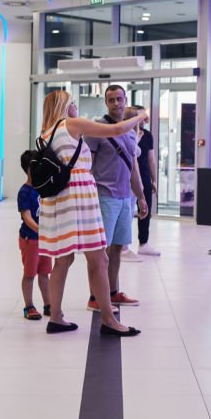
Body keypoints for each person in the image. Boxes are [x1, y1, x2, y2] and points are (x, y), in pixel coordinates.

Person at [37, 89, 145, 336]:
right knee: (99, 259)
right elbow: (117, 130)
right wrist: (141, 115)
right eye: (72, 103)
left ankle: (55, 317)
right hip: (80, 196)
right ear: (64, 106)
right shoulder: (71, 124)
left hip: (57, 200)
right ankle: (109, 319)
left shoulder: (45, 133)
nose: (75, 107)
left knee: (62, 260)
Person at [84, 85, 148, 312]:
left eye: (119, 99)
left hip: (125, 199)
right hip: (105, 197)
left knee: (118, 247)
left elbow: (133, 168)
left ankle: (112, 292)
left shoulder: (130, 132)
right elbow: (87, 166)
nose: (116, 104)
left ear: (125, 100)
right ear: (106, 102)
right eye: (111, 100)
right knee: (101, 251)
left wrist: (140, 196)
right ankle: (95, 296)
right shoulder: (96, 129)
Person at [18, 149, 51, 320]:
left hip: (44, 240)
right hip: (30, 239)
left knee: (45, 272)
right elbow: (26, 216)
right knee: (30, 273)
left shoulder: (44, 189)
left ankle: (48, 304)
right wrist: (40, 230)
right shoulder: (25, 192)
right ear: (29, 169)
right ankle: (28, 306)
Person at [131, 104, 160, 257]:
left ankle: (144, 242)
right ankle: (121, 245)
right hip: (128, 176)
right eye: (140, 116)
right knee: (127, 210)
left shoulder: (147, 135)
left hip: (143, 174)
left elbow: (151, 159)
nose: (143, 120)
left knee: (145, 209)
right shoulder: (126, 132)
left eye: (144, 116)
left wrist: (154, 180)